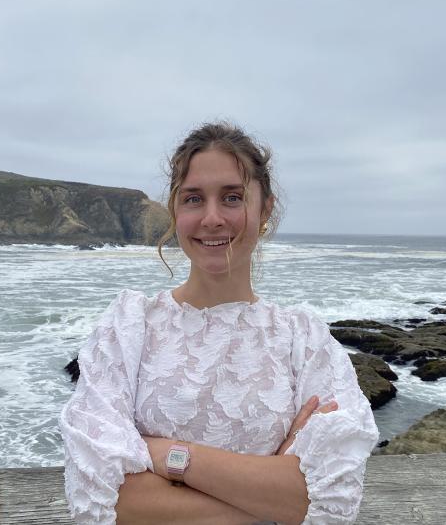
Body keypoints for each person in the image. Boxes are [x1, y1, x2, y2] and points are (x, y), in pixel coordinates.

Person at [59, 122, 379, 524]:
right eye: (194, 199)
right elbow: (99, 498)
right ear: (175, 210)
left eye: (232, 197)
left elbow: (334, 500)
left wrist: (166, 454)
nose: (212, 218)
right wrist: (268, 499)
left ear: (265, 209)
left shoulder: (304, 339)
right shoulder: (128, 327)